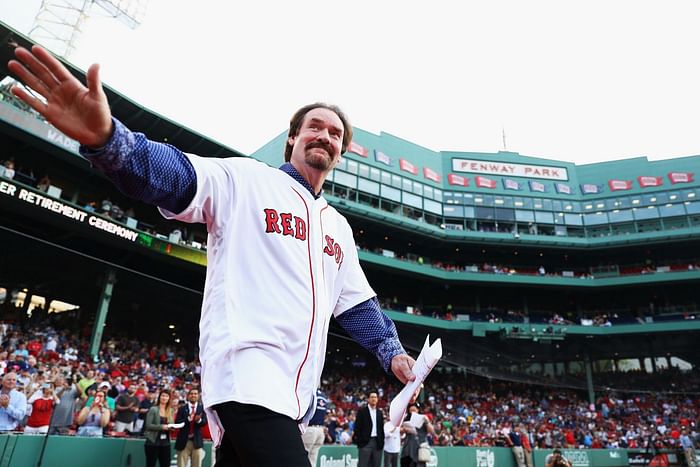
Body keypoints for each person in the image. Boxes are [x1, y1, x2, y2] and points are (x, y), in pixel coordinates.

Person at [9, 45, 417, 467]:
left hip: (293, 394)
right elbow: (178, 175)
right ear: (292, 137)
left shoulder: (339, 228)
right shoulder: (247, 179)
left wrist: (393, 353)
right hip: (247, 373)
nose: (325, 137)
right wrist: (110, 141)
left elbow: (357, 304)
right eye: (316, 127)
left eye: (335, 135)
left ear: (341, 152)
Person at [175, 388, 208, 467]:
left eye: (195, 394)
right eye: (191, 393)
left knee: (197, 465)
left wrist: (199, 420)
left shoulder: (202, 408)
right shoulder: (182, 408)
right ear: (188, 396)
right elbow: (177, 423)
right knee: (181, 465)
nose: (193, 395)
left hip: (197, 441)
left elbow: (204, 422)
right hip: (183, 441)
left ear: (198, 395)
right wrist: (188, 419)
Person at [144, 390, 175, 467]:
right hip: (153, 442)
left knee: (165, 464)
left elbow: (172, 424)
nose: (164, 398)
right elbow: (148, 425)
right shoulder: (153, 409)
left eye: (166, 396)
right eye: (163, 396)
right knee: (150, 464)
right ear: (159, 397)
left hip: (166, 443)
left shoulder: (171, 410)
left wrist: (172, 427)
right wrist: (162, 427)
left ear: (169, 399)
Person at [354, 391, 385, 467]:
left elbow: (381, 428)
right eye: (372, 397)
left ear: (377, 399)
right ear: (368, 399)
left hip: (377, 443)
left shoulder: (379, 413)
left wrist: (381, 441)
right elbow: (357, 428)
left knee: (376, 465)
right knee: (363, 465)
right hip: (365, 443)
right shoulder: (362, 411)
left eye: (375, 397)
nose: (374, 399)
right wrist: (360, 441)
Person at [301, 388, 329, 467]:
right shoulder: (323, 396)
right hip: (320, 430)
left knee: (303, 456)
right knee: (313, 459)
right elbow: (327, 415)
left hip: (310, 429)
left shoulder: (310, 393)